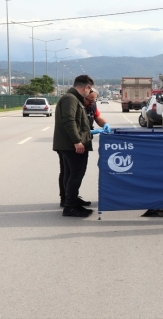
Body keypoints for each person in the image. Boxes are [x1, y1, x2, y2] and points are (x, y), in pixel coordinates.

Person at [53, 74, 95, 217]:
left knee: (71, 173)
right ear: (86, 88)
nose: (89, 93)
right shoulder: (70, 99)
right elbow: (69, 121)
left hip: (70, 144)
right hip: (72, 145)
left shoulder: (72, 98)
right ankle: (70, 206)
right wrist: (77, 141)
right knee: (76, 174)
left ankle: (72, 201)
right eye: (89, 91)